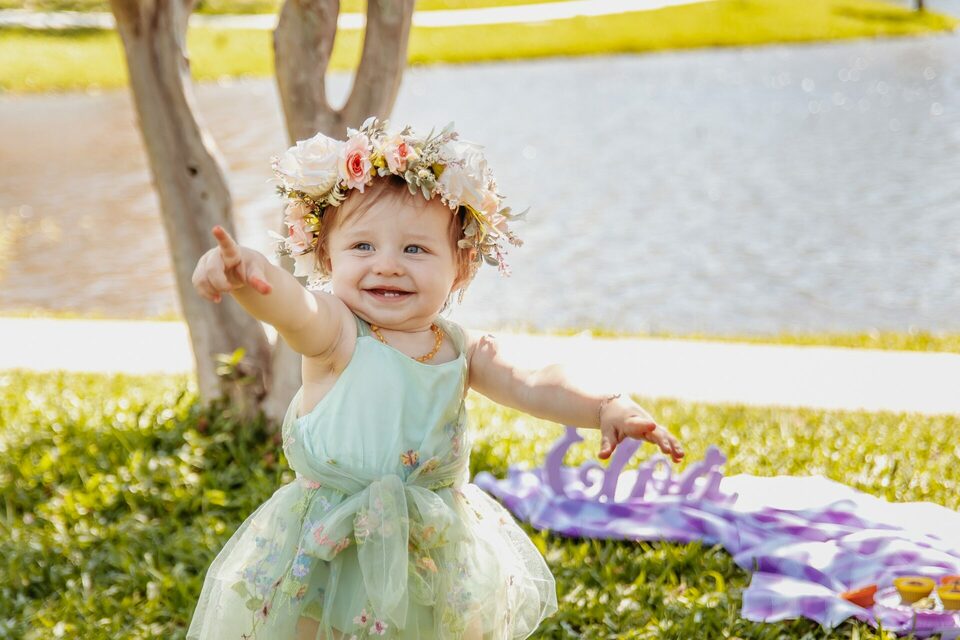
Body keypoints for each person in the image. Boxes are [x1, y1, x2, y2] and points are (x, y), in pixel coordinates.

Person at [186, 117, 684, 640]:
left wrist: (605, 405)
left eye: (416, 249)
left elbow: (532, 379)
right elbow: (295, 307)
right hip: (333, 551)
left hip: (431, 549)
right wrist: (251, 278)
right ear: (326, 257)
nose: (388, 266)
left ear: (461, 268)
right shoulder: (337, 333)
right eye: (362, 247)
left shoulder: (460, 348)